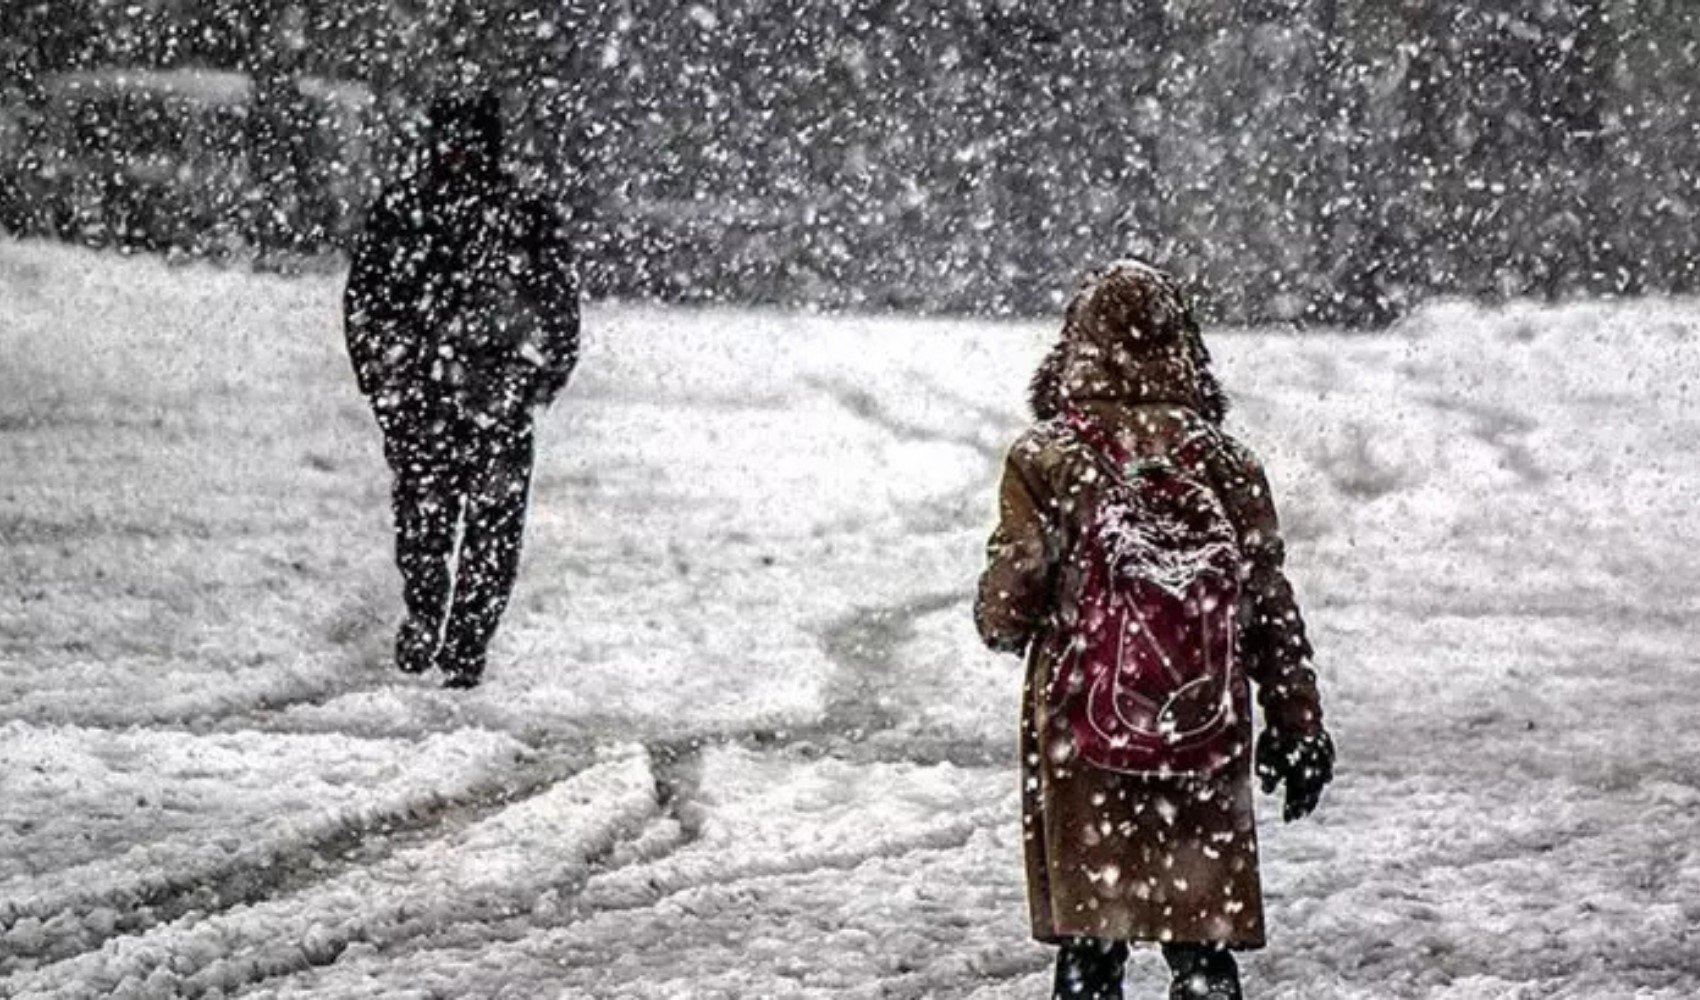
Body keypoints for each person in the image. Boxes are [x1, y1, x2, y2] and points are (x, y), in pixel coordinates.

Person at [974, 261, 1334, 999]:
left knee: (1091, 945)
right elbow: (1268, 603)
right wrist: (1297, 724)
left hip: (1085, 724)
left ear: (1074, 348)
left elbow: (1014, 595)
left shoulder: (1046, 459)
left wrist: (1002, 618)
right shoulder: (1226, 463)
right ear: (1185, 349)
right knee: (1200, 940)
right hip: (1203, 723)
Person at [344, 90, 580, 689]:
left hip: (477, 396)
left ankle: (461, 638)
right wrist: (384, 379)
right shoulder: (427, 212)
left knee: (475, 529)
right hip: (445, 396)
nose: (458, 154)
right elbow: (366, 303)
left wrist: (535, 379)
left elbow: (557, 309)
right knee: (439, 524)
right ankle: (433, 617)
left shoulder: (445, 212)